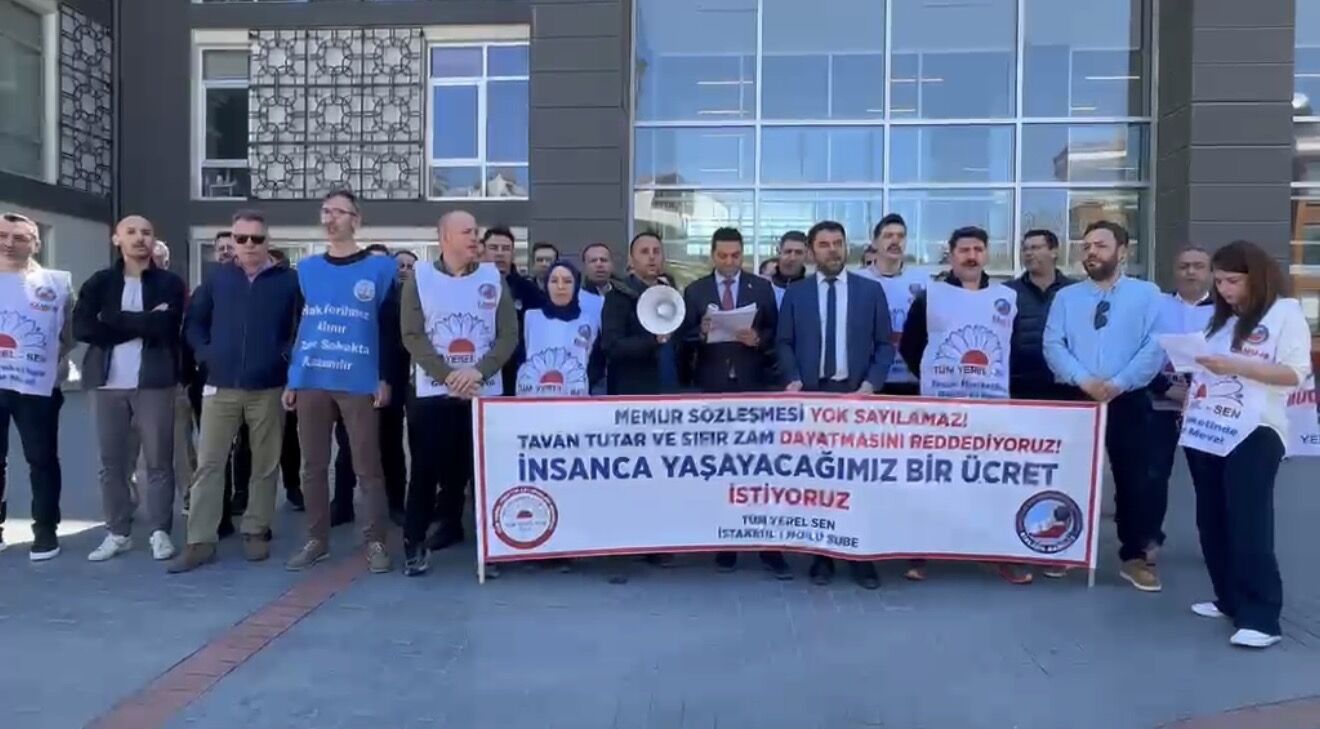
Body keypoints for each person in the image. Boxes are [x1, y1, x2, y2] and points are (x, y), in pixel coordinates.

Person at [1180, 240, 1310, 649]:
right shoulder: (1220, 320)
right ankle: (1229, 598)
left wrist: (1236, 365)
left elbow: (1295, 374)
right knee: (1212, 518)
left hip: (1256, 430)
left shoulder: (1285, 313)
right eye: (1219, 281)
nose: (1224, 289)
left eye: (1232, 281)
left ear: (1257, 276)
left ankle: (1262, 616)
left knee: (1248, 521)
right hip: (1208, 429)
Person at [899, 226, 1033, 585]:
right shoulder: (931, 296)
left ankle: (1000, 555)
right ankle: (921, 553)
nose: (971, 256)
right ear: (952, 253)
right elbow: (910, 345)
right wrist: (934, 376)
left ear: (986, 253)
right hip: (939, 409)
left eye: (977, 249)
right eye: (964, 250)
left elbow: (1015, 349)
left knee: (993, 482)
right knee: (933, 480)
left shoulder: (1008, 297)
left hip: (992, 409)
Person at [168, 210, 301, 572]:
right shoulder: (218, 278)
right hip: (220, 385)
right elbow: (194, 324)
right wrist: (206, 353)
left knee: (265, 463)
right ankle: (200, 540)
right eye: (241, 238)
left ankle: (256, 529)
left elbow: (300, 326)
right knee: (209, 463)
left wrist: (284, 356)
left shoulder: (288, 281)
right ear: (233, 240)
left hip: (268, 385)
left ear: (268, 241)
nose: (248, 245)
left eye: (256, 238)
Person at [1044, 221, 1165, 592]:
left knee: (1134, 479)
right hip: (1078, 397)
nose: (1091, 252)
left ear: (1122, 251)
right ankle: (1067, 547)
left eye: (1100, 245)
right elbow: (1053, 344)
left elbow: (1155, 345)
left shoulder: (1147, 294)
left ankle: (1134, 556)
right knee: (1072, 475)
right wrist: (1084, 380)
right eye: (1086, 246)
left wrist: (1118, 384)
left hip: (1127, 398)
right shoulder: (1066, 298)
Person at [283, 189, 399, 574]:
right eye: (325, 211)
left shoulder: (381, 269)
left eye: (338, 212)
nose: (329, 218)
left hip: (359, 377)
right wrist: (293, 378)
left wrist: (384, 376)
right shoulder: (307, 269)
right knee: (312, 465)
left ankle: (376, 540)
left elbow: (389, 328)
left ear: (356, 220)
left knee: (367, 466)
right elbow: (300, 325)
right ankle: (316, 539)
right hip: (312, 376)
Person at [776, 220, 893, 590]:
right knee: (820, 482)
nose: (832, 250)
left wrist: (871, 385)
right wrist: (793, 377)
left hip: (856, 396)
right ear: (812, 252)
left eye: (838, 243)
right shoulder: (797, 294)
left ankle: (861, 558)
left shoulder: (869, 291)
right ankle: (822, 556)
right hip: (813, 397)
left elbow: (885, 344)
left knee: (858, 481)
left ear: (846, 247)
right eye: (824, 244)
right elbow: (783, 342)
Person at [400, 210, 517, 577]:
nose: (475, 238)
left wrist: (478, 372)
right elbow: (412, 335)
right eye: (467, 232)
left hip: (482, 393)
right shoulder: (419, 278)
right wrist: (449, 375)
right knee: (425, 471)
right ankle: (414, 543)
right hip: (432, 393)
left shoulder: (493, 278)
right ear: (445, 237)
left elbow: (508, 334)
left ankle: (492, 550)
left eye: (476, 231)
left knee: (483, 473)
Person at [75, 214, 188, 562]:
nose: (140, 238)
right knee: (112, 464)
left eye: (147, 232)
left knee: (159, 461)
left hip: (155, 382)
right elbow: (83, 328)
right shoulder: (100, 282)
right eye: (131, 232)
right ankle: (117, 532)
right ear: (117, 239)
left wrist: (113, 319)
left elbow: (167, 327)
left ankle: (159, 532)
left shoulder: (169, 283)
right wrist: (145, 321)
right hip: (107, 384)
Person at [680, 227, 788, 579]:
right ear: (712, 255)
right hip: (713, 389)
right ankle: (726, 543)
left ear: (743, 255)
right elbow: (682, 338)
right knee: (722, 467)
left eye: (736, 256)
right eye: (723, 256)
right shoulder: (695, 291)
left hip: (754, 387)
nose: (729, 262)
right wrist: (700, 332)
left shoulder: (761, 287)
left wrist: (758, 338)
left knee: (760, 467)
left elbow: (776, 333)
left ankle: (769, 546)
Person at [601, 231, 683, 580]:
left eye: (656, 251)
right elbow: (611, 346)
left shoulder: (671, 293)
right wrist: (652, 341)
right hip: (634, 396)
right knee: (633, 472)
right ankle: (627, 542)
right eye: (644, 252)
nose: (652, 257)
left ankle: (657, 540)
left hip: (668, 392)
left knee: (663, 471)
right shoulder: (619, 297)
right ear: (631, 260)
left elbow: (682, 341)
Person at [0, 213, 74, 560]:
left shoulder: (56, 285)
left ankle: (45, 530)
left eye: (19, 237)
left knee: (42, 459)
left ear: (36, 243)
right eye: (2, 235)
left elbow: (69, 333)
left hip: (36, 386)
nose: (9, 243)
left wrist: (50, 361)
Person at [1146, 245, 1214, 565]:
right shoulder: (1156, 308)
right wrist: (1165, 388)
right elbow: (1141, 352)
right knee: (1153, 476)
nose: (1191, 272)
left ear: (1210, 273)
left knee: (1209, 479)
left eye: (1198, 266)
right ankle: (1149, 540)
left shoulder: (1226, 313)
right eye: (1184, 266)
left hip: (1207, 409)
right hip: (1160, 403)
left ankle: (1214, 543)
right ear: (1174, 271)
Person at [858, 214, 927, 398]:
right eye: (888, 236)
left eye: (901, 236)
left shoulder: (924, 281)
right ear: (875, 242)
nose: (895, 241)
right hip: (868, 380)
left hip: (911, 380)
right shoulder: (857, 280)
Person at [1006, 229, 1076, 401]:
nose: (1029, 253)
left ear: (1054, 252)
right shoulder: (1007, 293)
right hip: (1019, 388)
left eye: (1036, 248)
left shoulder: (1075, 292)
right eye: (1025, 249)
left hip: (1067, 389)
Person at [483, 227, 545, 397]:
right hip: (480, 369)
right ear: (483, 251)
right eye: (493, 248)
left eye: (506, 249)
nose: (500, 253)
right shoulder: (468, 285)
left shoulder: (529, 290)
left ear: (513, 253)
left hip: (516, 371)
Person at [770, 230, 809, 307]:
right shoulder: (762, 288)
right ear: (779, 252)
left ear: (806, 255)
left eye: (798, 253)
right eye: (788, 252)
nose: (792, 258)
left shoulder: (813, 290)